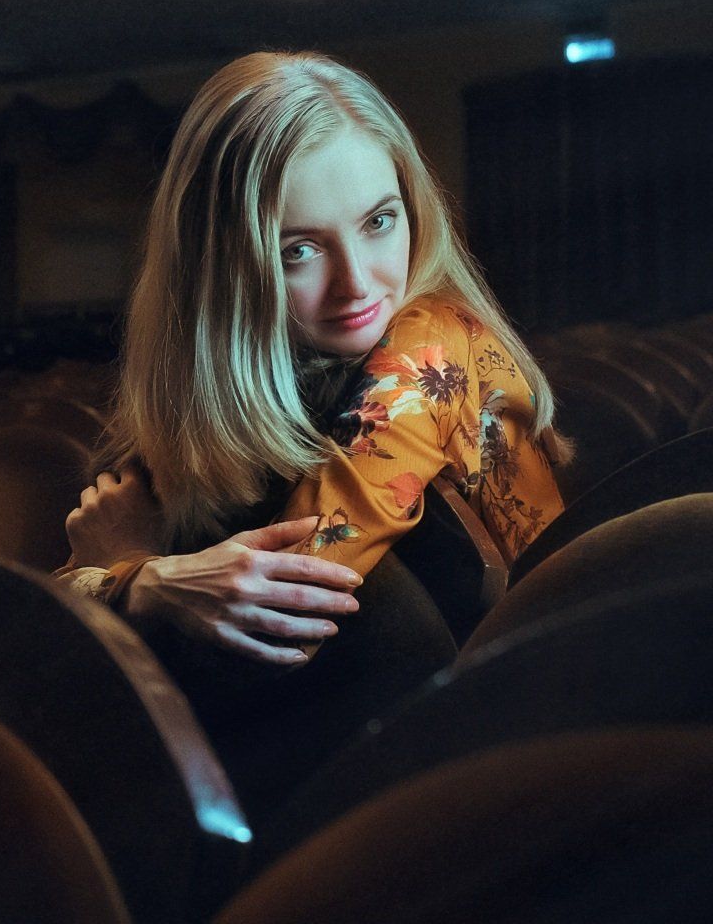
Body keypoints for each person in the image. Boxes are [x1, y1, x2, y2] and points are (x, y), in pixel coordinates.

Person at [60, 51, 569, 665]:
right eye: (298, 250)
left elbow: (286, 599)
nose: (356, 282)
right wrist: (139, 582)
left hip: (493, 722)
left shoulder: (434, 342)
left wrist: (128, 570)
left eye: (379, 220)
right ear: (220, 272)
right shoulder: (200, 410)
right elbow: (43, 632)